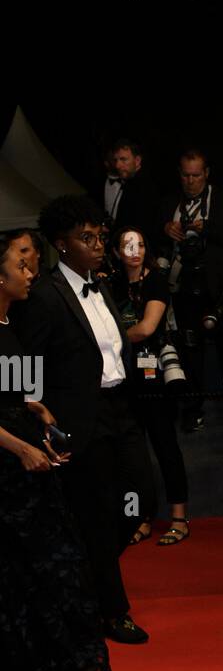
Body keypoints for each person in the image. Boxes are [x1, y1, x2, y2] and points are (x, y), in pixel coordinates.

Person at [12, 196, 154, 643]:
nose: (97, 245)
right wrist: (35, 415)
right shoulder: (45, 295)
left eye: (99, 237)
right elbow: (27, 360)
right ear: (62, 244)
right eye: (86, 238)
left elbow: (113, 351)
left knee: (141, 500)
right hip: (76, 420)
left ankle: (84, 580)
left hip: (120, 411)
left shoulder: (103, 285)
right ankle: (112, 611)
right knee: (95, 515)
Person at [0, 231, 111, 671]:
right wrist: (19, 449)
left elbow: (19, 390)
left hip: (24, 461)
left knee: (42, 565)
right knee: (23, 567)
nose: (30, 274)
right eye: (20, 267)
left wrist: (40, 414)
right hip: (5, 468)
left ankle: (34, 666)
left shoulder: (10, 323)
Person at [111, 227, 190, 545]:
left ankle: (179, 518)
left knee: (165, 446)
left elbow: (146, 328)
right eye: (128, 245)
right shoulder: (109, 283)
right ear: (117, 251)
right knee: (132, 454)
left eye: (141, 244)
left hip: (153, 374)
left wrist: (108, 342)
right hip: (122, 377)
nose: (135, 250)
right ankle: (140, 517)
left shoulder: (156, 280)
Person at [159, 147, 223, 432]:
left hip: (219, 289)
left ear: (206, 174)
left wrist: (207, 228)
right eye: (186, 175)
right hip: (183, 288)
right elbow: (155, 241)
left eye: (196, 175)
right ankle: (193, 410)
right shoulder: (170, 202)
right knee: (190, 353)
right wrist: (165, 229)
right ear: (179, 175)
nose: (191, 181)